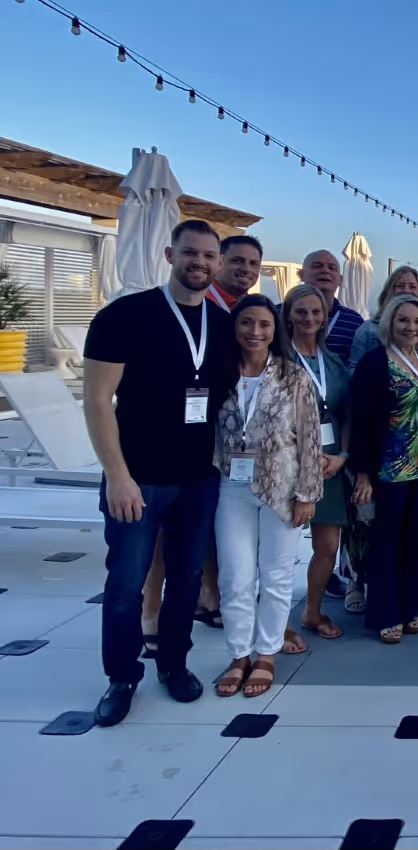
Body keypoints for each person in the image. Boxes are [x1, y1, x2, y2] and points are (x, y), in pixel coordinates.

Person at [83, 219, 235, 726]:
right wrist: (116, 475)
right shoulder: (125, 316)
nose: (201, 263)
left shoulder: (221, 324)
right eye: (191, 253)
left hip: (197, 477)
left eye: (210, 256)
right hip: (138, 477)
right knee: (125, 583)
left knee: (188, 578)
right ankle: (122, 676)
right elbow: (98, 401)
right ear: (170, 254)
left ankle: (174, 664)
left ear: (218, 263)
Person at [141, 236, 262, 647]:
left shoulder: (231, 316)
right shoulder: (186, 306)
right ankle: (150, 611)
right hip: (163, 443)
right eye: (236, 261)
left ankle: (209, 594)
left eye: (253, 264)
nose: (245, 269)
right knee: (159, 535)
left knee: (205, 524)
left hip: (214, 440)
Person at [212, 296, 323, 698]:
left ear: (276, 330)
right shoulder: (220, 373)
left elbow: (311, 439)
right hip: (233, 486)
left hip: (282, 486)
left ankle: (266, 652)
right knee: (236, 575)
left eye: (263, 324)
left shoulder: (293, 377)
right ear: (235, 327)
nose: (255, 332)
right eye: (246, 323)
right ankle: (239, 653)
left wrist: (308, 494)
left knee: (275, 575)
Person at [349, 295, 418, 644]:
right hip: (390, 469)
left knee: (417, 538)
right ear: (390, 322)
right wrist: (362, 473)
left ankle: (409, 607)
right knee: (387, 540)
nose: (411, 327)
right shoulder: (376, 363)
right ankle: (384, 612)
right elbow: (361, 421)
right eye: (403, 320)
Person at [280, 284, 351, 648]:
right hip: (287, 465)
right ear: (288, 314)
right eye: (302, 311)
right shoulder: (276, 360)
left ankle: (313, 610)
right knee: (278, 549)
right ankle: (274, 623)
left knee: (327, 545)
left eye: (316, 312)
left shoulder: (332, 361)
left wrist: (343, 456)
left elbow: (347, 413)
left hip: (330, 464)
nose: (309, 318)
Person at [350, 266, 418, 369]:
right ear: (389, 290)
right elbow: (353, 371)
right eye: (400, 286)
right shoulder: (367, 330)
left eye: (412, 287)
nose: (406, 291)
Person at [301, 249, 364, 369]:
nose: (325, 270)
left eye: (332, 268)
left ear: (340, 279)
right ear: (301, 275)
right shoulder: (279, 314)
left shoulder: (354, 321)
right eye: (317, 266)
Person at [206, 234, 263, 311]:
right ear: (219, 262)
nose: (246, 269)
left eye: (253, 263)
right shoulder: (199, 303)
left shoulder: (256, 309)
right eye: (238, 261)